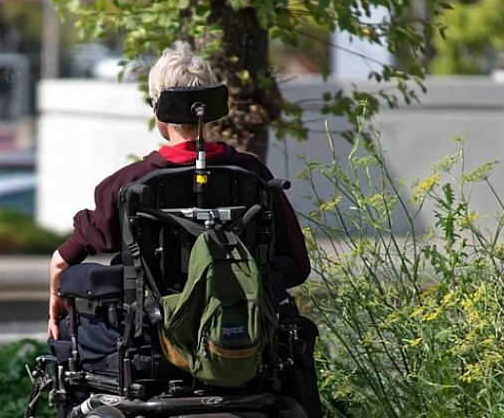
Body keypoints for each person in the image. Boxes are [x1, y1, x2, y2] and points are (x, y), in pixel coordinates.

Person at [47, 41, 310, 340]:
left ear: (158, 108)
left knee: (67, 335)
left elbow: (60, 263)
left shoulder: (129, 183)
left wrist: (57, 298)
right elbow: (298, 266)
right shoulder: (252, 175)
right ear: (212, 107)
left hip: (150, 337)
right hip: (241, 334)